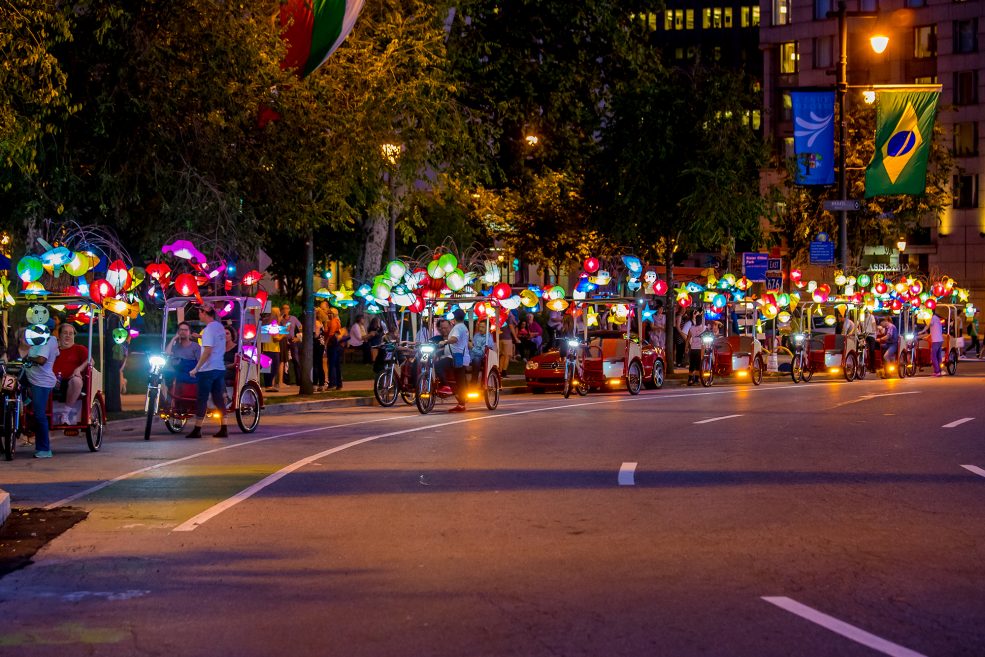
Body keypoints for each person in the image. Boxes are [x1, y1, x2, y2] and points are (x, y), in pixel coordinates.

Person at [187, 305, 228, 438]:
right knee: (218, 399)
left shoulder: (208, 330)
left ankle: (197, 429)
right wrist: (199, 336)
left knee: (202, 399)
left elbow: (208, 351)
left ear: (204, 313)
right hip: (219, 368)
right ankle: (224, 427)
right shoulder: (219, 327)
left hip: (208, 369)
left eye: (199, 312)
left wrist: (196, 368)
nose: (199, 315)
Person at [25, 325, 60, 458]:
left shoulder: (47, 341)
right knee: (18, 384)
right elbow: (57, 353)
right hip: (34, 380)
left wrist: (29, 359)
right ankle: (26, 399)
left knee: (40, 416)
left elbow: (42, 360)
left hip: (41, 382)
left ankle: (45, 449)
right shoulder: (46, 341)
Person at [52, 323, 89, 423]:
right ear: (59, 336)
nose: (68, 335)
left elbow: (90, 361)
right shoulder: (53, 350)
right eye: (65, 333)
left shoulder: (79, 349)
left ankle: (65, 414)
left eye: (71, 333)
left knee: (77, 380)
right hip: (52, 381)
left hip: (70, 381)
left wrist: (78, 370)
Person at [440, 309, 470, 412]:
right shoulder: (464, 327)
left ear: (454, 318)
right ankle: (461, 405)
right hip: (460, 357)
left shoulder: (457, 327)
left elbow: (455, 339)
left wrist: (445, 342)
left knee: (438, 365)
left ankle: (445, 385)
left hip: (455, 357)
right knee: (459, 381)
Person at [166, 321, 202, 386]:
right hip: (176, 377)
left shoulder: (195, 346)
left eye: (185, 330)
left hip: (191, 377)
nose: (183, 332)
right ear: (178, 332)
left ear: (189, 332)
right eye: (181, 330)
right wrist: (173, 339)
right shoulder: (175, 346)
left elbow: (200, 363)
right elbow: (167, 354)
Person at [261, 308, 283, 392]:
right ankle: (269, 385)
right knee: (274, 368)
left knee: (268, 368)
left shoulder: (265, 323)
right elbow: (276, 338)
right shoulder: (274, 324)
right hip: (273, 349)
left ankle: (268, 385)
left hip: (266, 348)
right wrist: (284, 334)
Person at [279, 304, 302, 386]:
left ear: (289, 310)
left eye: (287, 308)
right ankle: (285, 380)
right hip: (283, 341)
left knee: (296, 359)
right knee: (285, 361)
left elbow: (301, 327)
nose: (285, 310)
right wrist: (280, 319)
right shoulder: (280, 319)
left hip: (292, 340)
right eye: (283, 308)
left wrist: (298, 338)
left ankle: (299, 380)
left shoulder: (293, 318)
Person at [323, 307, 343, 390]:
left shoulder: (334, 322)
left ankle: (332, 383)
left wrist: (326, 343)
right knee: (336, 364)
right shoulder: (335, 321)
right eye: (328, 313)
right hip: (336, 345)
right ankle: (338, 384)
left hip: (333, 345)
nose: (329, 315)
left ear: (334, 314)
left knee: (332, 364)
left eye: (331, 313)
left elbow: (331, 334)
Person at [920, 309, 945, 377]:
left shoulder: (933, 318)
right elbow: (934, 330)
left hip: (936, 340)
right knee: (938, 356)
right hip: (939, 340)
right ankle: (939, 371)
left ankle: (937, 371)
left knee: (933, 357)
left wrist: (922, 331)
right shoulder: (937, 318)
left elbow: (928, 326)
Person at [686, 311, 706, 386]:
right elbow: (688, 338)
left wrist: (686, 347)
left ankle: (692, 379)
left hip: (695, 348)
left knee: (694, 364)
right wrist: (686, 347)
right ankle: (694, 379)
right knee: (696, 364)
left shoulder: (692, 328)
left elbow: (688, 338)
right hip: (698, 348)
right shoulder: (703, 328)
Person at [470, 320, 493, 384]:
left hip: (481, 358)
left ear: (488, 328)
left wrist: (472, 348)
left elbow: (482, 353)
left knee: (476, 359)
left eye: (483, 327)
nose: (480, 329)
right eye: (480, 327)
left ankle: (473, 382)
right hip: (472, 355)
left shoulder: (488, 338)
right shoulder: (476, 335)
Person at [498, 310, 518, 378]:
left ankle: (500, 371)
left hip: (500, 337)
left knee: (502, 355)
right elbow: (511, 325)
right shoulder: (508, 315)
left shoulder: (499, 314)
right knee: (507, 356)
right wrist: (515, 337)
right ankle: (504, 371)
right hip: (507, 337)